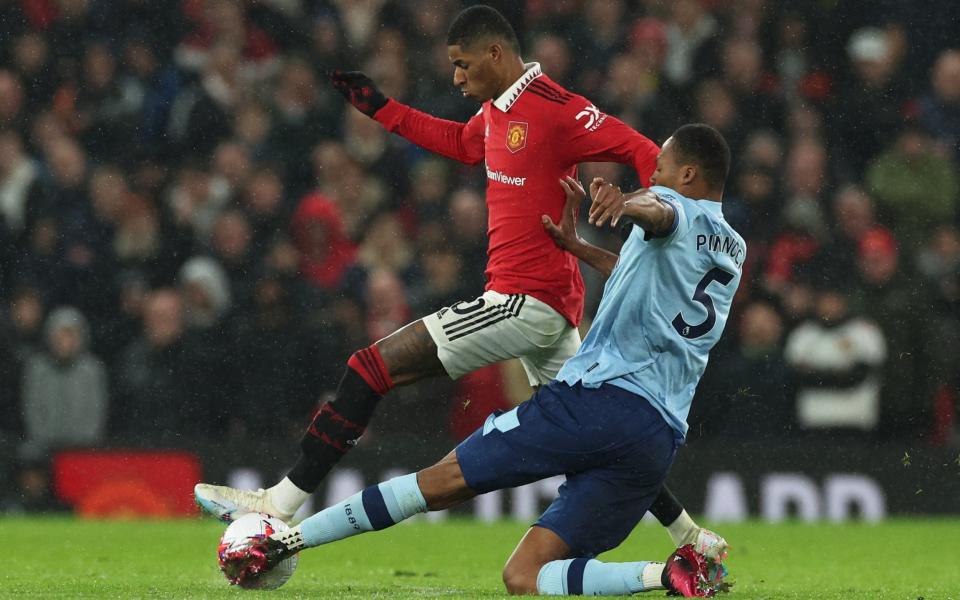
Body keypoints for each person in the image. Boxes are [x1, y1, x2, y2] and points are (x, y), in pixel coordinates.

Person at [196, 4, 719, 558]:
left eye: (464, 66)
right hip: (549, 311)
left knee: (371, 366)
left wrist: (635, 202)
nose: (457, 78)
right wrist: (382, 110)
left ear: (497, 54)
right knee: (598, 437)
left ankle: (278, 502)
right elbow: (460, 143)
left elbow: (643, 151)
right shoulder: (496, 113)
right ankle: (689, 534)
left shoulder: (558, 109)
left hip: (525, 300)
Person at [219, 124, 741, 598]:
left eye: (662, 168)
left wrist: (625, 202)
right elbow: (652, 280)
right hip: (658, 435)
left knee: (439, 482)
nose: (655, 175)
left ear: (688, 174)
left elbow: (661, 211)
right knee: (524, 578)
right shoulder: (732, 250)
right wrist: (579, 248)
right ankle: (671, 573)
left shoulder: (672, 207)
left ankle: (285, 542)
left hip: (598, 402)